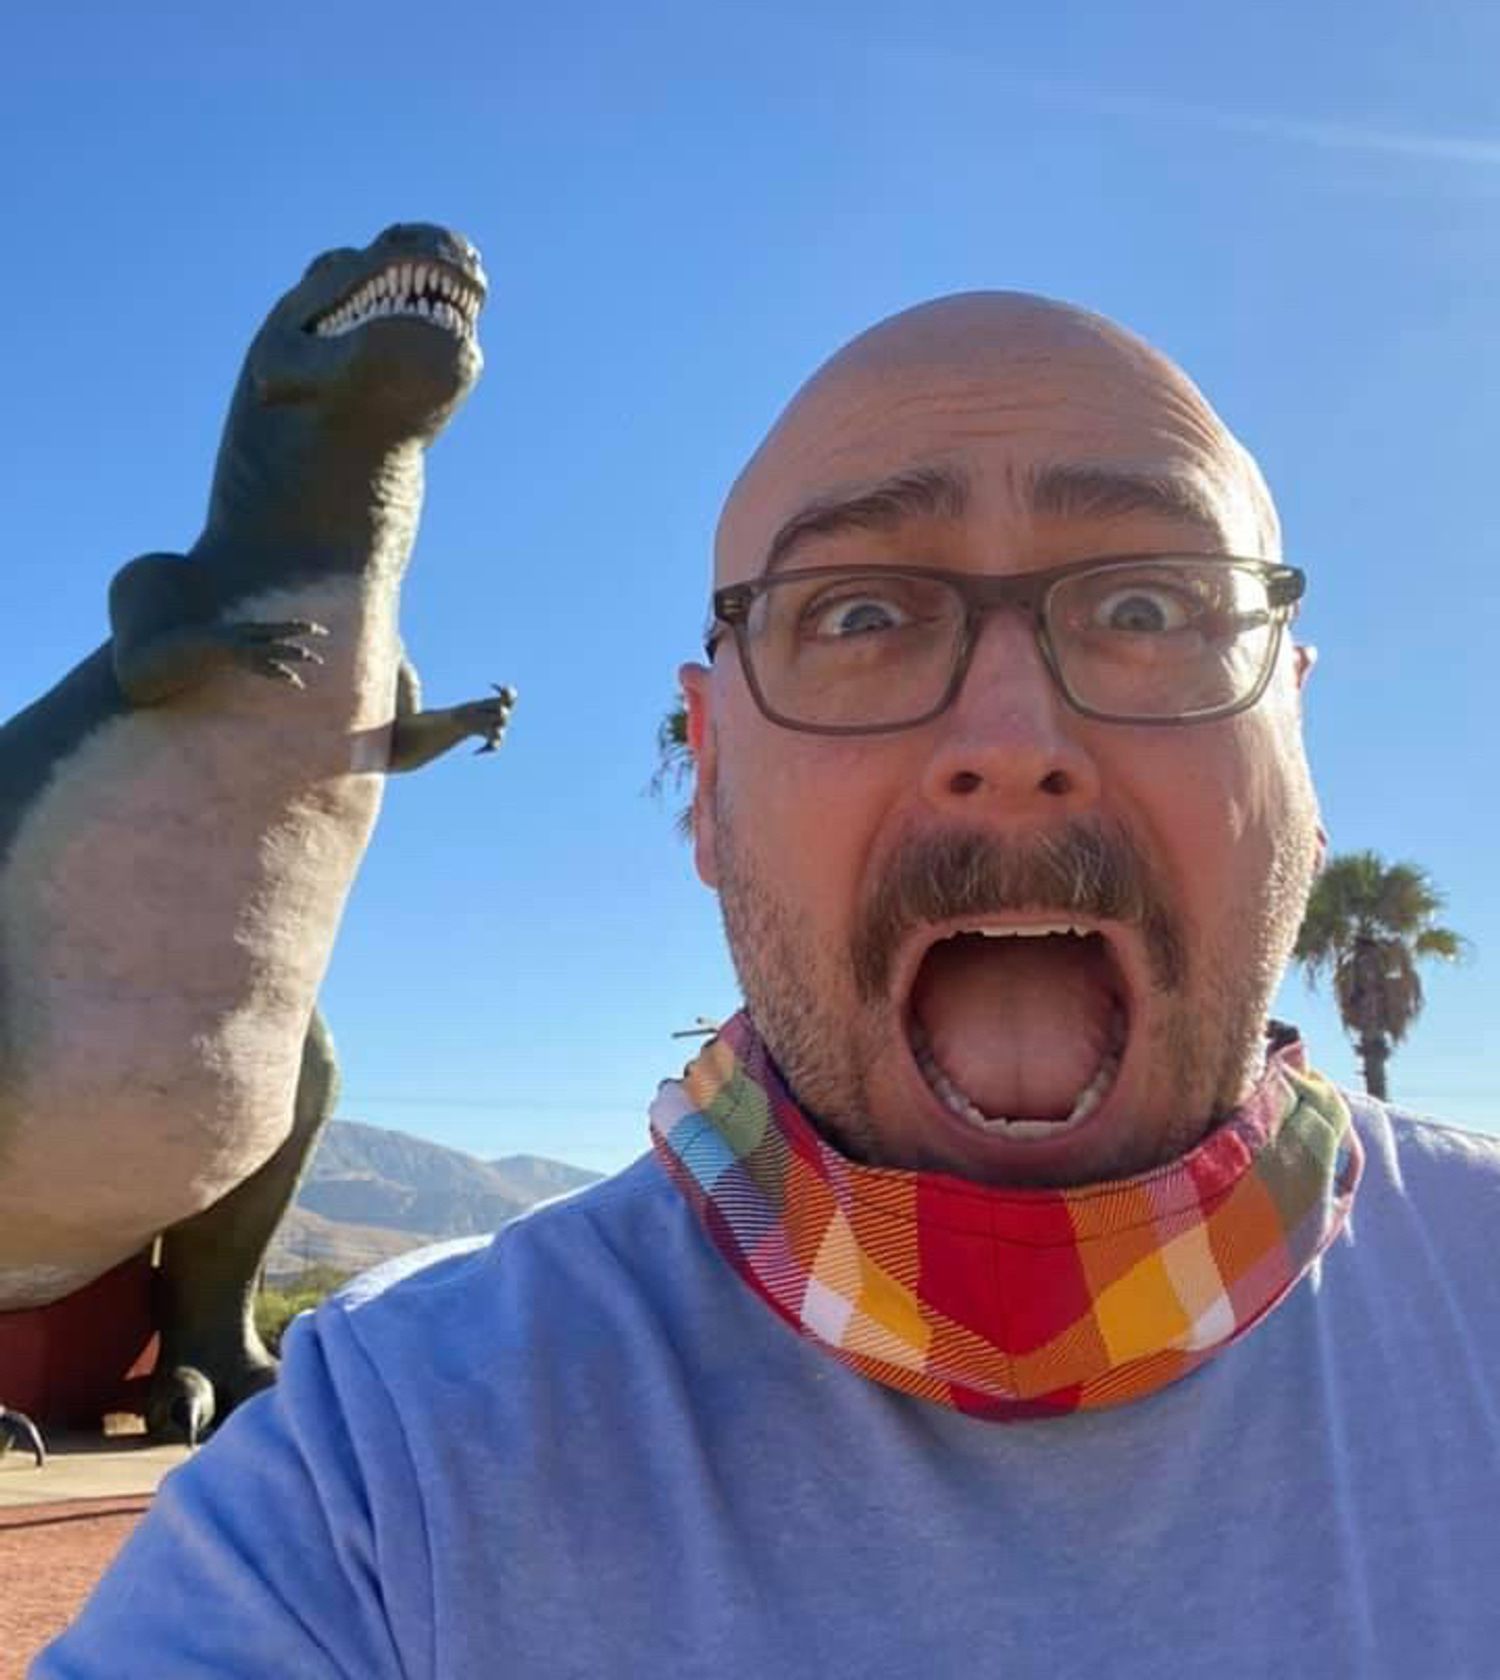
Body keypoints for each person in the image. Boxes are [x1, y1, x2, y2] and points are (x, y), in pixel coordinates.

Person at [39, 293, 1499, 1677]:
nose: (1009, 733)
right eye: (859, 615)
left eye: (1149, 601)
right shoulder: (393, 1461)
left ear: (1298, 747)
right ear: (711, 774)